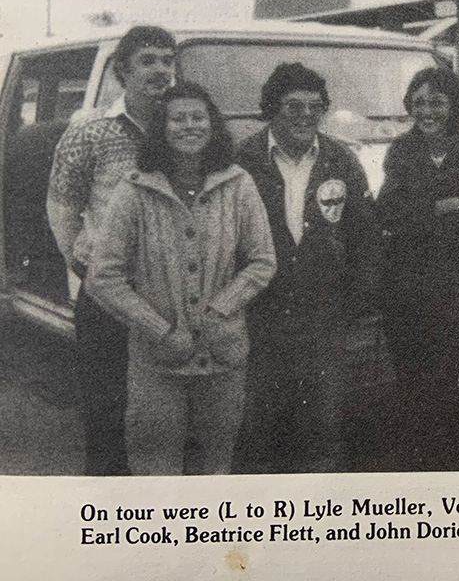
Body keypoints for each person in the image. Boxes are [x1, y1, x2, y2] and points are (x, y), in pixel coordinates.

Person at [86, 83, 276, 475]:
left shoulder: (238, 184)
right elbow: (103, 276)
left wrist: (221, 309)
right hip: (156, 361)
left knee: (216, 469)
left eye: (197, 117)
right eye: (177, 118)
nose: (189, 126)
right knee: (156, 469)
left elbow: (262, 261)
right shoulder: (134, 189)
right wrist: (159, 329)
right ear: (162, 128)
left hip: (224, 356)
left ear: (212, 125)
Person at [233, 63, 381, 473]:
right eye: (293, 106)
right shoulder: (242, 159)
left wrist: (350, 307)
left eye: (315, 107)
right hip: (258, 321)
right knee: (257, 431)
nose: (306, 115)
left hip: (323, 321)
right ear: (271, 110)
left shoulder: (340, 159)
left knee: (322, 429)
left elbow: (364, 238)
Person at [47, 25, 176, 476]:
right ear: (122, 71)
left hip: (170, 295)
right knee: (107, 413)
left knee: (164, 416)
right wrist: (87, 267)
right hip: (107, 298)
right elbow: (62, 209)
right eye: (148, 60)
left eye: (167, 60)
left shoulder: (183, 129)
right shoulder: (91, 133)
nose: (161, 70)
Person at [376, 67, 459, 470]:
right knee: (412, 376)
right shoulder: (400, 151)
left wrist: (426, 214)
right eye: (418, 103)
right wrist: (444, 207)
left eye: (436, 102)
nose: (426, 110)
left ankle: (450, 462)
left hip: (457, 286)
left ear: (453, 105)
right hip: (407, 286)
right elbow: (388, 213)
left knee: (453, 376)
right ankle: (416, 461)